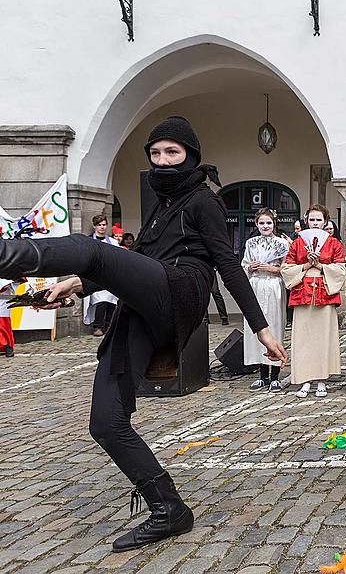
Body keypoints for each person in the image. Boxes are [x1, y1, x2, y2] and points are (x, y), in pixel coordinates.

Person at [0, 115, 287, 552]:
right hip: (141, 302)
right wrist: (77, 285)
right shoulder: (159, 200)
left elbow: (227, 265)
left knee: (93, 250)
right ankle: (169, 508)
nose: (163, 161)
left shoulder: (203, 201)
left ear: (191, 155)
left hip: (181, 290)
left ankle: (8, 254)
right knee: (106, 422)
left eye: (172, 153)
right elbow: (139, 258)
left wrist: (262, 328)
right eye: (155, 154)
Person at [282, 204, 346, 399]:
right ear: (306, 220)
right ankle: (305, 380)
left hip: (324, 293)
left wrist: (319, 265)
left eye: (319, 220)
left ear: (325, 222)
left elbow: (341, 269)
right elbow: (286, 269)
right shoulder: (297, 243)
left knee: (323, 339)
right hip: (303, 293)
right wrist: (307, 264)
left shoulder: (334, 243)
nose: (315, 223)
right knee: (303, 339)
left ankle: (321, 380)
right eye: (312, 219)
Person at [243, 208, 290, 393]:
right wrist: (251, 267)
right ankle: (262, 376)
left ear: (274, 224)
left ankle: (275, 376)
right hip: (256, 285)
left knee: (275, 327)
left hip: (273, 286)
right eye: (262, 223)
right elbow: (244, 265)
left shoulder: (282, 244)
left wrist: (272, 269)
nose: (265, 226)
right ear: (256, 224)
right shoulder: (250, 243)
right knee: (257, 328)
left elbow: (287, 269)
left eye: (268, 223)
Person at [84, 215, 119, 337]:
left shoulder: (113, 242)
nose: (102, 227)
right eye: (99, 225)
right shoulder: (89, 241)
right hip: (96, 276)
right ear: (95, 226)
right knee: (100, 301)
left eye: (104, 224)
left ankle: (109, 326)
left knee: (112, 301)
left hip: (110, 275)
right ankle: (98, 326)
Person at [0, 280, 14, 358]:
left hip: (2, 299)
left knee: (2, 324)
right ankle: (5, 346)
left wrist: (6, 283)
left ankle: (6, 346)